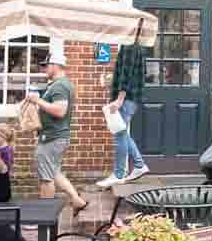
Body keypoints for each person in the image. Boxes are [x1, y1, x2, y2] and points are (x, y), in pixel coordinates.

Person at [26, 52, 87, 212]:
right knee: (54, 172)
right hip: (55, 136)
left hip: (52, 137)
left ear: (55, 65)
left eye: (46, 65)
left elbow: (60, 111)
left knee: (46, 179)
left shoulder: (60, 85)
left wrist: (37, 100)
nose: (44, 68)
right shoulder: (59, 84)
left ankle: (43, 216)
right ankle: (76, 200)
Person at [98, 44, 150, 188]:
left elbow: (126, 74)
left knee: (120, 135)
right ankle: (139, 165)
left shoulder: (129, 46)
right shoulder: (137, 47)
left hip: (126, 99)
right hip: (130, 98)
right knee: (122, 133)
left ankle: (118, 174)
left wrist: (120, 98)